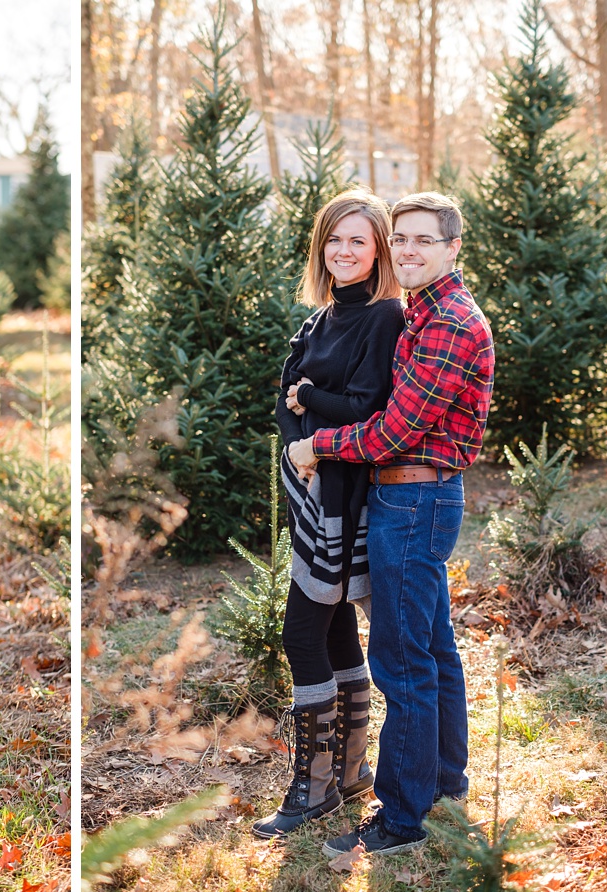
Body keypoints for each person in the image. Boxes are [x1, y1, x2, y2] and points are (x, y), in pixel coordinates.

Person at [288, 191, 495, 857]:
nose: (407, 250)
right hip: (414, 498)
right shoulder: (421, 311)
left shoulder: (449, 324)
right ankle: (443, 784)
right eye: (400, 238)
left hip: (411, 502)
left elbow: (393, 431)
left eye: (421, 241)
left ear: (452, 248)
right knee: (433, 650)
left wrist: (319, 444)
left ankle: (402, 818)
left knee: (402, 661)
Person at [251, 188, 405, 840]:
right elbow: (283, 401)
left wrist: (311, 403)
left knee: (301, 634)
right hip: (311, 492)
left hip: (348, 496)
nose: (344, 252)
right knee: (337, 626)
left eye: (357, 242)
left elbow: (369, 405)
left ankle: (313, 787)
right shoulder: (317, 321)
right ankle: (347, 775)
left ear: (378, 252)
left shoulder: (382, 317)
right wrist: (298, 439)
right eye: (334, 240)